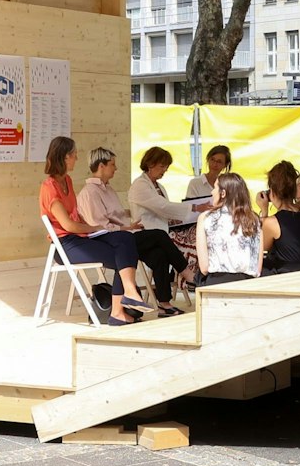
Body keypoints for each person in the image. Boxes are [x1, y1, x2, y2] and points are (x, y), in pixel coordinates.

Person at [38, 136, 147, 326]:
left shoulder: (68, 181)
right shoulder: (49, 188)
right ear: (65, 157)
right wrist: (95, 227)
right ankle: (119, 308)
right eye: (74, 155)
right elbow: (68, 226)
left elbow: (75, 217)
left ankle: (125, 299)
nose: (76, 159)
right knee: (123, 258)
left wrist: (96, 229)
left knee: (124, 239)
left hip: (80, 238)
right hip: (65, 245)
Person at [76, 147, 189, 314]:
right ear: (101, 166)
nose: (116, 168)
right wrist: (127, 227)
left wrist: (130, 221)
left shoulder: (108, 189)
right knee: (159, 235)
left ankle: (164, 304)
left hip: (124, 236)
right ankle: (187, 273)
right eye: (112, 164)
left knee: (159, 254)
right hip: (111, 241)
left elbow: (117, 215)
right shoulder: (90, 192)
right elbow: (98, 225)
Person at [198, 171, 278, 286]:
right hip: (247, 284)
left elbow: (204, 267)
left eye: (215, 188)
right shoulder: (254, 220)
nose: (212, 192)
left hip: (216, 283)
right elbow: (258, 268)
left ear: (223, 193)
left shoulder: (205, 218)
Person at [128, 146, 210, 231]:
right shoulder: (140, 184)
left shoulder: (160, 186)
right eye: (162, 166)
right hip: (146, 233)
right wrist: (195, 207)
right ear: (150, 164)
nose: (165, 170)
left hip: (160, 232)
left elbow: (166, 210)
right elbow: (163, 207)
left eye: (166, 167)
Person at [258, 162, 300, 275]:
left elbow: (260, 247)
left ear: (272, 192)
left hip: (285, 274)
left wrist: (264, 212)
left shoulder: (272, 223)